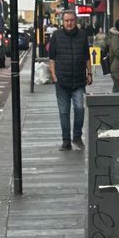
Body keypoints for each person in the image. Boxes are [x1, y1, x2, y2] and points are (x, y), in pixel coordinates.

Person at [46, 10, 92, 151]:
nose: (69, 23)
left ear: (75, 20)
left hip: (78, 80)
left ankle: (77, 138)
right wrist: (54, 76)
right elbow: (52, 58)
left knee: (79, 109)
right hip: (62, 81)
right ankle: (66, 141)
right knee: (64, 112)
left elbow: (87, 57)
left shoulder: (82, 35)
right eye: (66, 21)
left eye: (71, 20)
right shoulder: (56, 36)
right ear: (63, 22)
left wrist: (89, 73)